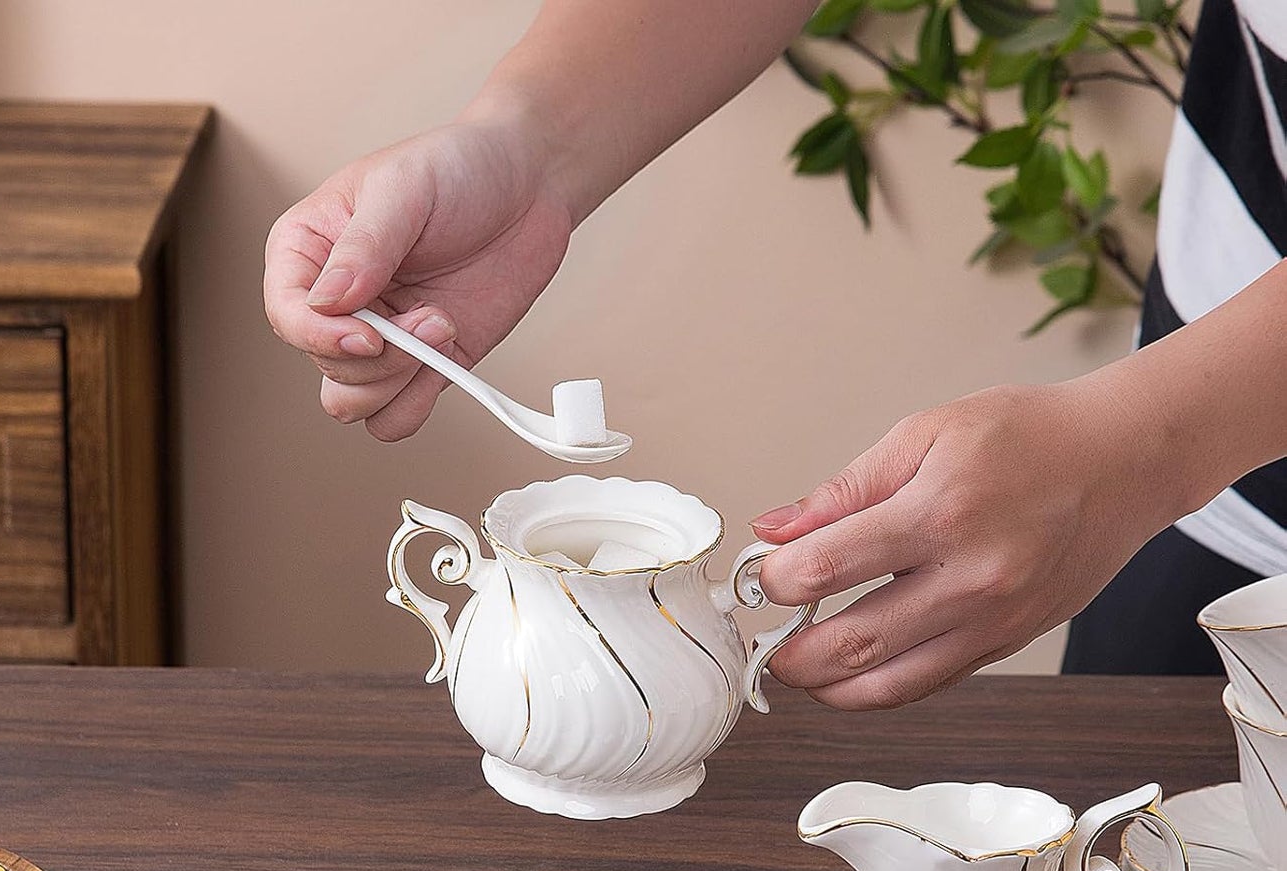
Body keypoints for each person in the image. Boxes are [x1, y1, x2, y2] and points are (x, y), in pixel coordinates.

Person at [264, 0, 1287, 710]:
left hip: (1181, 455)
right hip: (1215, 503)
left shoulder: (1147, 455)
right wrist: (527, 141)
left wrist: (1140, 443)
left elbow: (1148, 444)